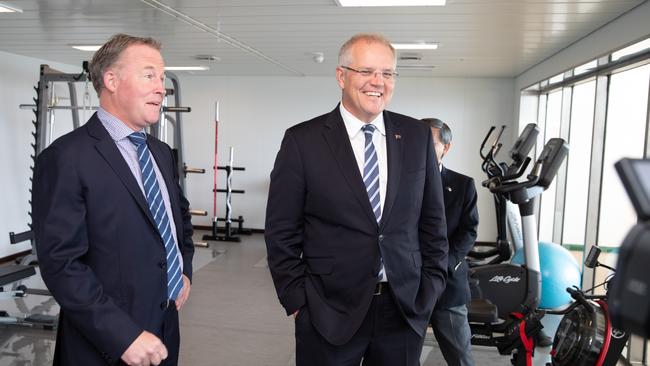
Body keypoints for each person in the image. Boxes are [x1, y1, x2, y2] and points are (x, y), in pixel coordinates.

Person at [265, 33, 449, 366]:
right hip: (327, 311)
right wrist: (297, 301)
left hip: (404, 310)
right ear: (341, 76)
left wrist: (430, 291)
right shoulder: (302, 141)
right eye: (366, 71)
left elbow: (433, 223)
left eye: (387, 73)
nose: (377, 82)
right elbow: (281, 230)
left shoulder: (416, 136)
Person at [32, 33, 194, 366]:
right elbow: (62, 265)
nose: (161, 87)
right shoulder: (66, 157)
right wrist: (123, 334)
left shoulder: (161, 153)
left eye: (162, 78)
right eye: (149, 75)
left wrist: (184, 271)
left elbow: (179, 218)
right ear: (112, 80)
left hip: (164, 329)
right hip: (103, 343)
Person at [422, 118, 478, 366]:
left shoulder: (463, 185)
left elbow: (468, 231)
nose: (422, 148)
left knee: (460, 357)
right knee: (400, 355)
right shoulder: (396, 183)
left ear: (446, 147)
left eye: (429, 143)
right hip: (409, 286)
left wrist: (447, 263)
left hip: (448, 284)